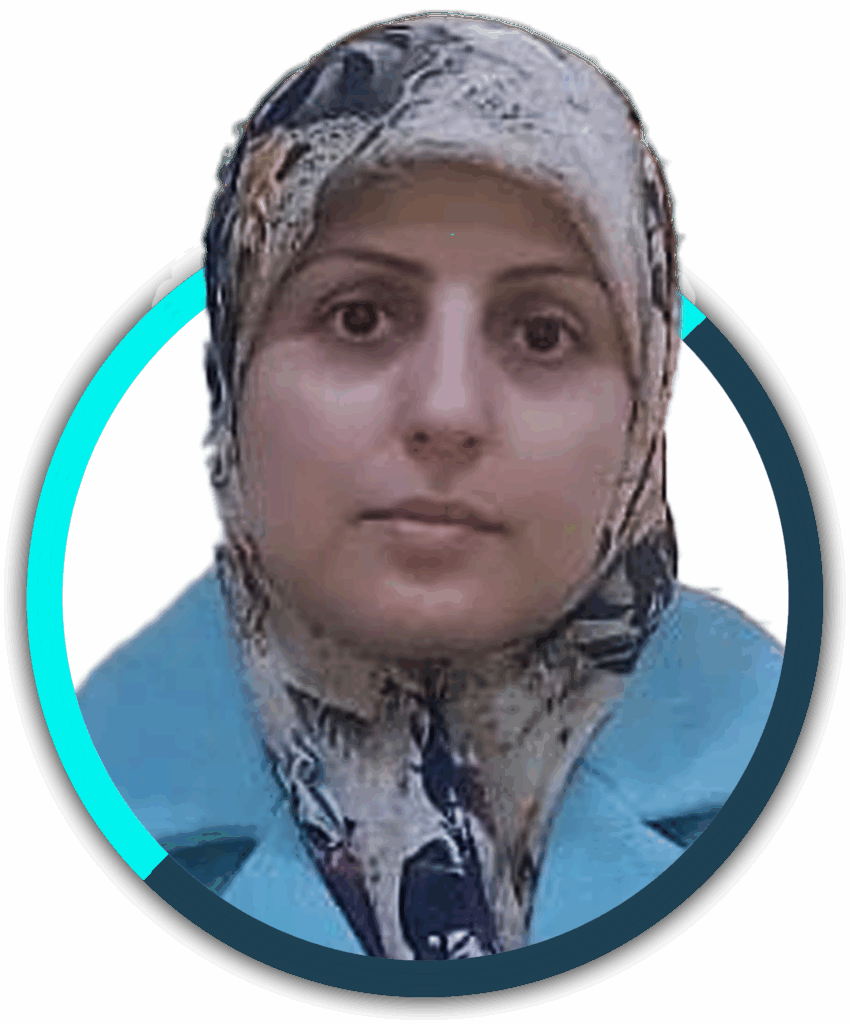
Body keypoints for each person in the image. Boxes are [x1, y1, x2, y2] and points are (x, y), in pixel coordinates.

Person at [76, 13, 784, 960]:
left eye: (543, 332)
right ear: (231, 376)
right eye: (359, 317)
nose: (447, 410)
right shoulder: (98, 771)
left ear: (646, 403)